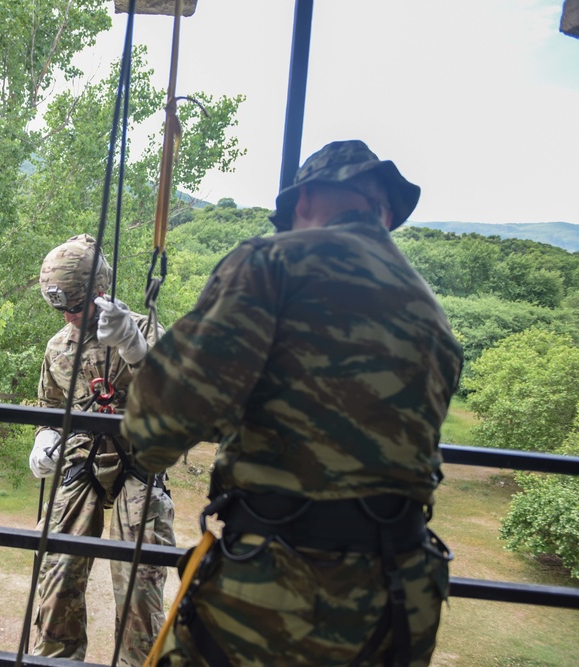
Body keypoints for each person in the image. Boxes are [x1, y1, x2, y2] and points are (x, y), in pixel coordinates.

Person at [122, 140, 464, 667]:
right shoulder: (431, 312)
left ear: (304, 203)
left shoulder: (272, 262)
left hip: (280, 594)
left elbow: (160, 421)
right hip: (400, 596)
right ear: (386, 212)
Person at [29, 234, 176, 666]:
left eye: (76, 306)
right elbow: (51, 405)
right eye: (60, 308)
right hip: (80, 461)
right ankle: (57, 659)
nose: (70, 316)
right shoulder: (58, 347)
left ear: (100, 290)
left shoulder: (145, 330)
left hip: (140, 462)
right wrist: (44, 438)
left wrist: (134, 348)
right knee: (58, 569)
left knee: (139, 583)